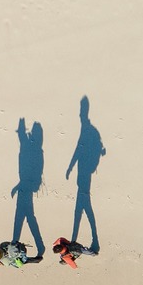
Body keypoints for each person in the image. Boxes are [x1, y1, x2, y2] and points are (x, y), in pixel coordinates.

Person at [63, 96, 106, 253]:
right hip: (85, 168)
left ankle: (84, 200)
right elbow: (80, 148)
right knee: (82, 191)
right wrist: (70, 166)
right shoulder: (90, 131)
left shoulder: (89, 131)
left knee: (82, 198)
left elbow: (79, 148)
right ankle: (83, 199)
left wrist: (70, 166)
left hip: (85, 168)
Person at [8, 117, 43, 264]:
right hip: (27, 186)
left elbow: (23, 141)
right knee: (29, 218)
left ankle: (38, 248)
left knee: (25, 217)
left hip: (25, 186)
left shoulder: (34, 151)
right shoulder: (37, 152)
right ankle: (38, 247)